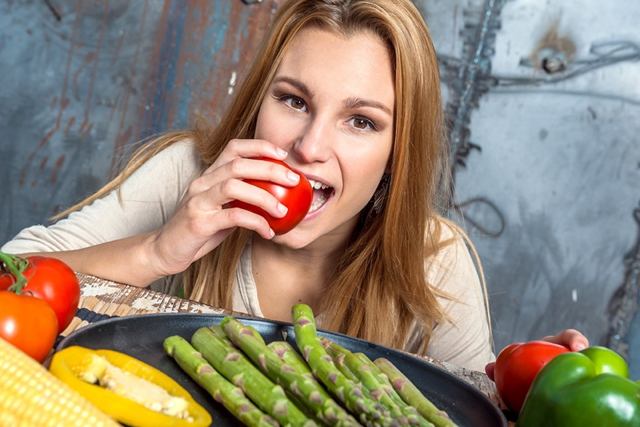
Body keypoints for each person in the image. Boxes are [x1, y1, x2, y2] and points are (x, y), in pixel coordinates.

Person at [1, 0, 587, 372]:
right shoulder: (191, 174)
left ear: (396, 151)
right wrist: (156, 249)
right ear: (261, 101)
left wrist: (531, 382)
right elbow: (12, 278)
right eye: (293, 100)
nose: (308, 148)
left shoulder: (435, 259)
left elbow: (474, 401)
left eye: (361, 121)